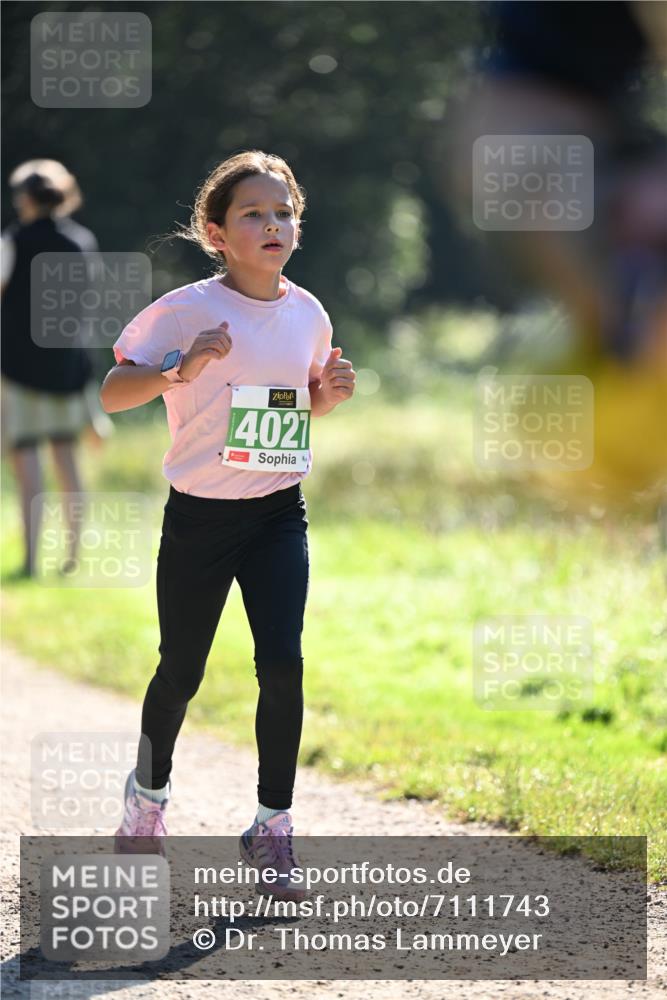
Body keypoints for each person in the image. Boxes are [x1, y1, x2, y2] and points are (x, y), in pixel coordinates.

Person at [101, 150, 355, 899]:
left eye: (284, 213)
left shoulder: (308, 314)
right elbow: (113, 394)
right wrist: (178, 368)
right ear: (216, 233)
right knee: (182, 668)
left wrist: (326, 400)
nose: (273, 224)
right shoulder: (184, 311)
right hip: (199, 520)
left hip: (278, 513)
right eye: (254, 213)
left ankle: (272, 826)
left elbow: (288, 413)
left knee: (282, 663)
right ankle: (147, 801)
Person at [1, 158, 112, 579]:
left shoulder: (14, 239)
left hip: (17, 369)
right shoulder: (81, 240)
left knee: (27, 461)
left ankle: (30, 562)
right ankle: (72, 558)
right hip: (69, 368)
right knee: (67, 461)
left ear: (27, 198)